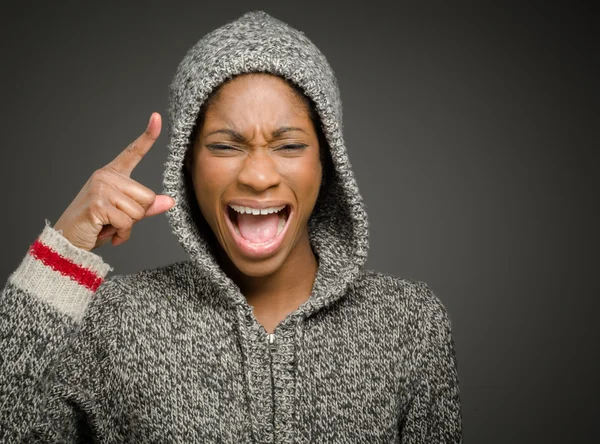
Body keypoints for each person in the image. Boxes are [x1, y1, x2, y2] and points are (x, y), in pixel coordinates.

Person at [0, 10, 463, 443]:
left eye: (289, 146)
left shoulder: (410, 323)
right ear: (186, 165)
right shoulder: (110, 319)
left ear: (328, 164)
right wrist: (61, 251)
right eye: (225, 146)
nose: (258, 176)